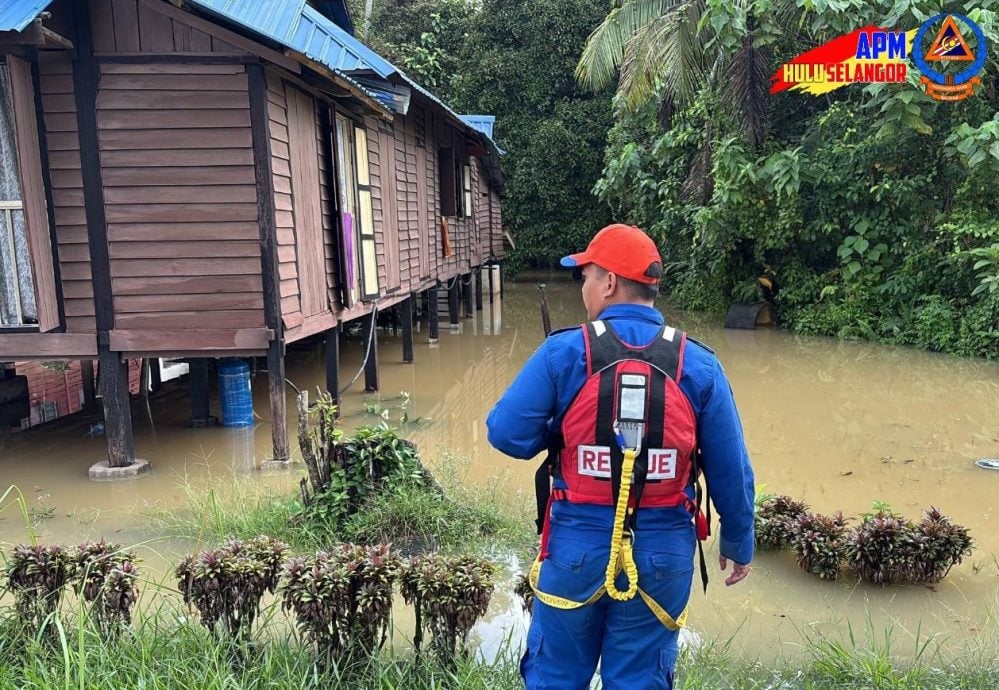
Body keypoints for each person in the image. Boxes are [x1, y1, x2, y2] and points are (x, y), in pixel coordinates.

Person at [486, 223, 755, 690]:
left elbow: (505, 434)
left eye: (586, 276)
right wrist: (738, 542)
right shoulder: (701, 363)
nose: (584, 287)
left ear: (609, 283)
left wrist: (560, 433)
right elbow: (732, 469)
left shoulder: (564, 352)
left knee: (554, 677)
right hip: (663, 554)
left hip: (574, 549)